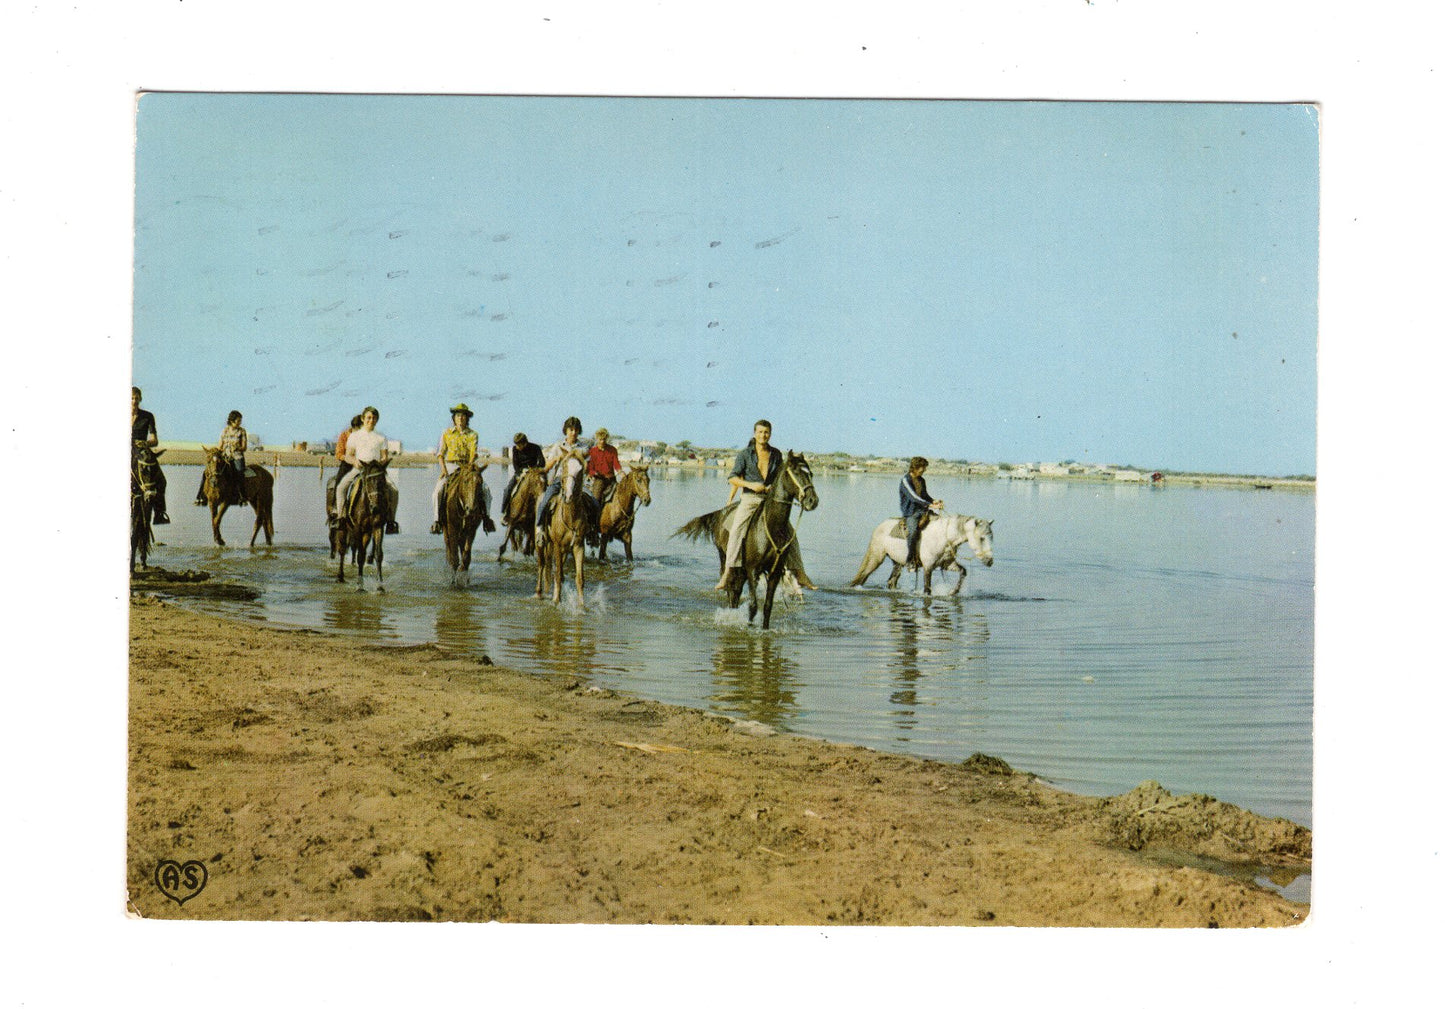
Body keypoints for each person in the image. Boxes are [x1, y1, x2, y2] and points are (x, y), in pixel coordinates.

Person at [714, 419, 784, 591]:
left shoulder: (776, 454)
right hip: (750, 499)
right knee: (737, 529)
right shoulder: (745, 454)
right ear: (754, 434)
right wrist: (752, 485)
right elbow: (732, 477)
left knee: (788, 531)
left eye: (766, 432)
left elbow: (781, 479)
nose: (763, 435)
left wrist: (771, 488)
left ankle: (799, 572)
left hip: (769, 500)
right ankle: (728, 571)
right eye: (760, 432)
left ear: (770, 434)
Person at [333, 406, 400, 534]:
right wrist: (355, 462)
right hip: (360, 469)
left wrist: (380, 464)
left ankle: (391, 522)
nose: (371, 420)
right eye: (369, 418)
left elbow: (384, 457)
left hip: (376, 471)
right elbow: (348, 455)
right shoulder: (355, 436)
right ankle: (341, 518)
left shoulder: (381, 438)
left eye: (374, 418)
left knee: (394, 490)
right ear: (363, 419)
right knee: (341, 487)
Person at [430, 403, 493, 535]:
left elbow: (473, 453)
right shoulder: (446, 433)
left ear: (467, 418)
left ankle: (487, 519)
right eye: (458, 416)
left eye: (463, 416)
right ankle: (436, 521)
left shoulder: (473, 434)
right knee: (438, 490)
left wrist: (469, 468)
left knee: (486, 490)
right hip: (451, 466)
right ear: (454, 418)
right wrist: (444, 470)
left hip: (467, 466)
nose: (461, 418)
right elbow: (440, 454)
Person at [535, 416, 597, 544]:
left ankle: (592, 532)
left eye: (576, 430)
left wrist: (587, 469)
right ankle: (540, 529)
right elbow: (548, 466)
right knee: (544, 501)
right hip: (559, 480)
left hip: (578, 483)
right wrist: (556, 459)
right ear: (566, 431)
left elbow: (588, 467)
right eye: (571, 429)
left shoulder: (583, 448)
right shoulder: (558, 446)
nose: (573, 433)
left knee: (594, 503)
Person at [130, 386, 170, 524]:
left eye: (136, 398)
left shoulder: (147, 416)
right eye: (131, 398)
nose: (134, 401)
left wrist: (145, 443)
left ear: (140, 399)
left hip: (141, 452)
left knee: (161, 481)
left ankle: (159, 513)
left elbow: (154, 440)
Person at [197, 410, 249, 506]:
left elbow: (244, 447)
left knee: (239, 472)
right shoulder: (224, 431)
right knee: (207, 472)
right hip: (225, 457)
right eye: (238, 420)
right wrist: (213, 452)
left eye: (240, 421)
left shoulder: (242, 431)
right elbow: (220, 446)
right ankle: (201, 496)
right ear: (232, 421)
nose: (240, 423)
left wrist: (237, 447)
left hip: (237, 457)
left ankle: (242, 497)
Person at [900, 455, 944, 569]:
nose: (924, 470)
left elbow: (924, 495)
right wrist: (930, 505)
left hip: (923, 510)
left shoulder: (921, 480)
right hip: (911, 512)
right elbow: (914, 497)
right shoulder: (905, 480)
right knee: (913, 532)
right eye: (922, 468)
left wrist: (934, 501)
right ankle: (910, 559)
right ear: (915, 467)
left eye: (924, 468)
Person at [326, 414, 363, 519]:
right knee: (339, 481)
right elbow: (339, 453)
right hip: (348, 464)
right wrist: (348, 458)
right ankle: (335, 507)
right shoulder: (344, 435)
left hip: (363, 464)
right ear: (354, 427)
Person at [500, 431, 546, 517]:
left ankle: (545, 515)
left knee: (544, 490)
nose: (517, 447)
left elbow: (542, 462)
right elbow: (515, 464)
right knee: (508, 489)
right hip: (520, 473)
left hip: (534, 474)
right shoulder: (515, 449)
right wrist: (521, 472)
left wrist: (533, 469)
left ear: (524, 443)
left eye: (518, 445)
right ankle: (504, 512)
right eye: (516, 444)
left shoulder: (536, 448)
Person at [586, 427, 625, 503]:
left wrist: (621, 472)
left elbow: (616, 464)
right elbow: (590, 468)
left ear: (606, 439)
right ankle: (595, 514)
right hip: (599, 480)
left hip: (611, 479)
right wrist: (594, 473)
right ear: (597, 439)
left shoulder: (612, 450)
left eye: (604, 439)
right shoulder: (592, 451)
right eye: (600, 439)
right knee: (595, 500)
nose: (602, 441)